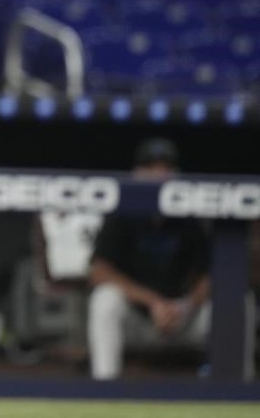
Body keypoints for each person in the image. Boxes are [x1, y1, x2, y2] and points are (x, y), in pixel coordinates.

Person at [86, 138, 212, 380]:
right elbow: (98, 271)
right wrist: (153, 302)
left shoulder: (189, 217)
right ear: (137, 173)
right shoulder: (121, 212)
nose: (158, 174)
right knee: (105, 300)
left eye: (165, 167)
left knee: (234, 302)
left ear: (176, 174)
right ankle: (104, 388)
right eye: (150, 167)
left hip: (181, 317)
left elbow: (210, 275)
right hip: (138, 319)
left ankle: (232, 390)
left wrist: (185, 306)